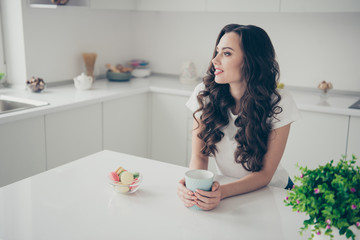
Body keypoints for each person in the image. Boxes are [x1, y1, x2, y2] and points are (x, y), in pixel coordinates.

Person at [177, 24, 301, 211]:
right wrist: (193, 186)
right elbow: (199, 156)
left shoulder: (279, 102)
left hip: (276, 193)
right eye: (217, 52)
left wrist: (221, 192)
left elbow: (265, 174)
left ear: (251, 61)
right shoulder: (204, 94)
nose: (214, 60)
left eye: (226, 53)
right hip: (232, 193)